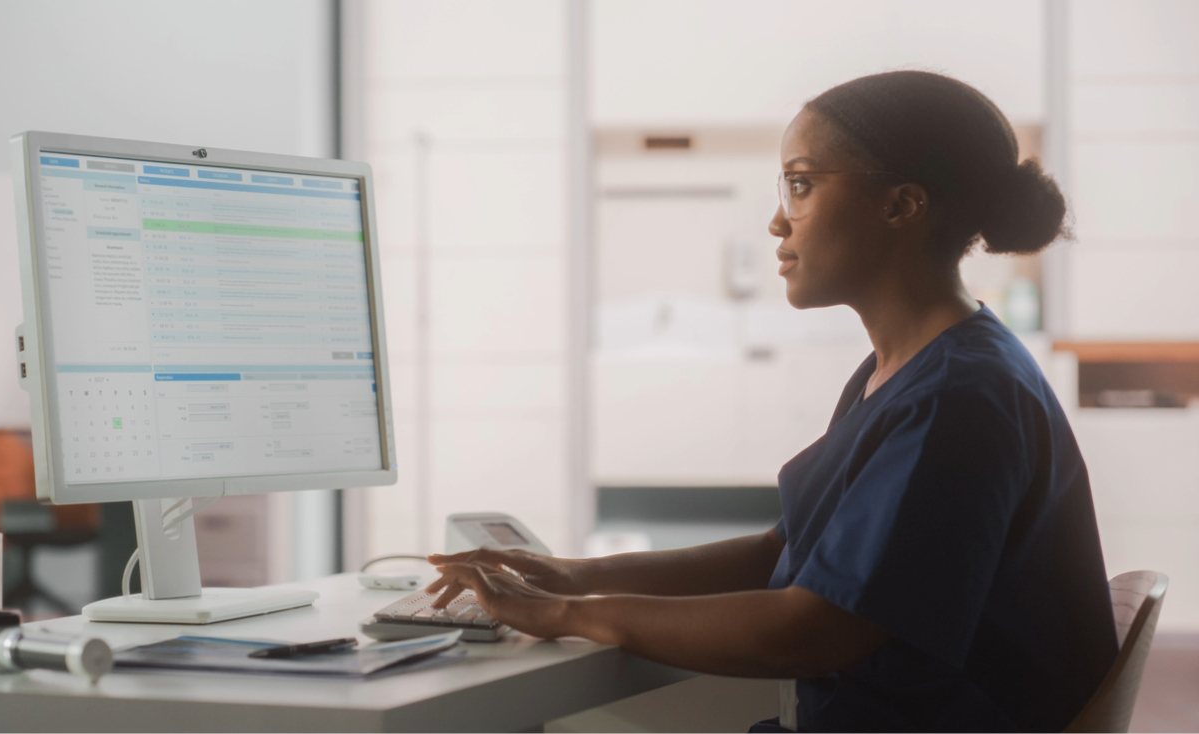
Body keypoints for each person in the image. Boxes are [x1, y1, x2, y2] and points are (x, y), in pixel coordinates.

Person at [425, 71, 1118, 732]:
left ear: (902, 205)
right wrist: (570, 576)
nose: (777, 224)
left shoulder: (959, 398)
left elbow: (814, 629)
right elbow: (780, 553)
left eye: (802, 185)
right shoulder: (905, 370)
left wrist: (572, 613)